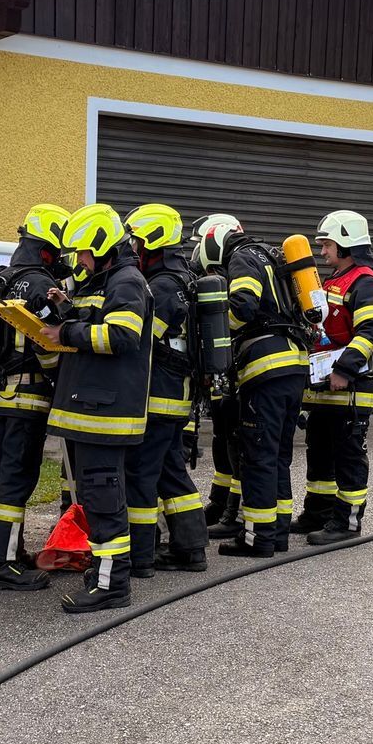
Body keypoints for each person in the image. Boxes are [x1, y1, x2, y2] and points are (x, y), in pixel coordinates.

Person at [37, 204, 153, 613]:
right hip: (92, 410)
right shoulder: (107, 280)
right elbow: (99, 320)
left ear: (103, 247)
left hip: (106, 413)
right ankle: (103, 574)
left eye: (84, 252)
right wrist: (68, 308)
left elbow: (121, 336)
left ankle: (112, 585)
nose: (80, 260)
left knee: (104, 498)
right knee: (96, 495)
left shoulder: (127, 281)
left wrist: (65, 331)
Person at [195, 216, 309, 558]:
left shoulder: (242, 257)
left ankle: (257, 539)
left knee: (258, 457)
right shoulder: (269, 255)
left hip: (266, 369)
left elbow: (242, 307)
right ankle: (277, 534)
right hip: (293, 364)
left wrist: (213, 328)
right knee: (279, 456)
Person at [0, 204, 71, 592]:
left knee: (8, 475)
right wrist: (63, 377)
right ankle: (0, 566)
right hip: (27, 394)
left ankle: (11, 553)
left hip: (2, 394)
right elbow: (49, 341)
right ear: (48, 248)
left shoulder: (6, 277)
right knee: (17, 479)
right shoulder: (38, 284)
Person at [122, 203, 209, 576]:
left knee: (141, 473)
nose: (132, 248)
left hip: (159, 396)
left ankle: (140, 556)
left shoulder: (163, 285)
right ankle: (191, 549)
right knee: (171, 470)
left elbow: (143, 339)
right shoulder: (181, 277)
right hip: (173, 395)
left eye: (136, 241)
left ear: (152, 242)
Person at [295, 209, 373, 545]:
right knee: (319, 450)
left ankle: (347, 524)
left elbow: (371, 331)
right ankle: (318, 513)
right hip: (327, 385)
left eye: (327, 245)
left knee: (348, 454)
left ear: (346, 244)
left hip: (352, 385)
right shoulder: (335, 280)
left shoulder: (364, 282)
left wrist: (344, 369)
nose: (322, 251)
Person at [190, 213, 245, 539]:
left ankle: (233, 512)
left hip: (236, 370)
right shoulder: (214, 272)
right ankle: (219, 501)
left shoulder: (236, 271)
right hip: (221, 372)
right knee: (222, 441)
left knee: (236, 443)